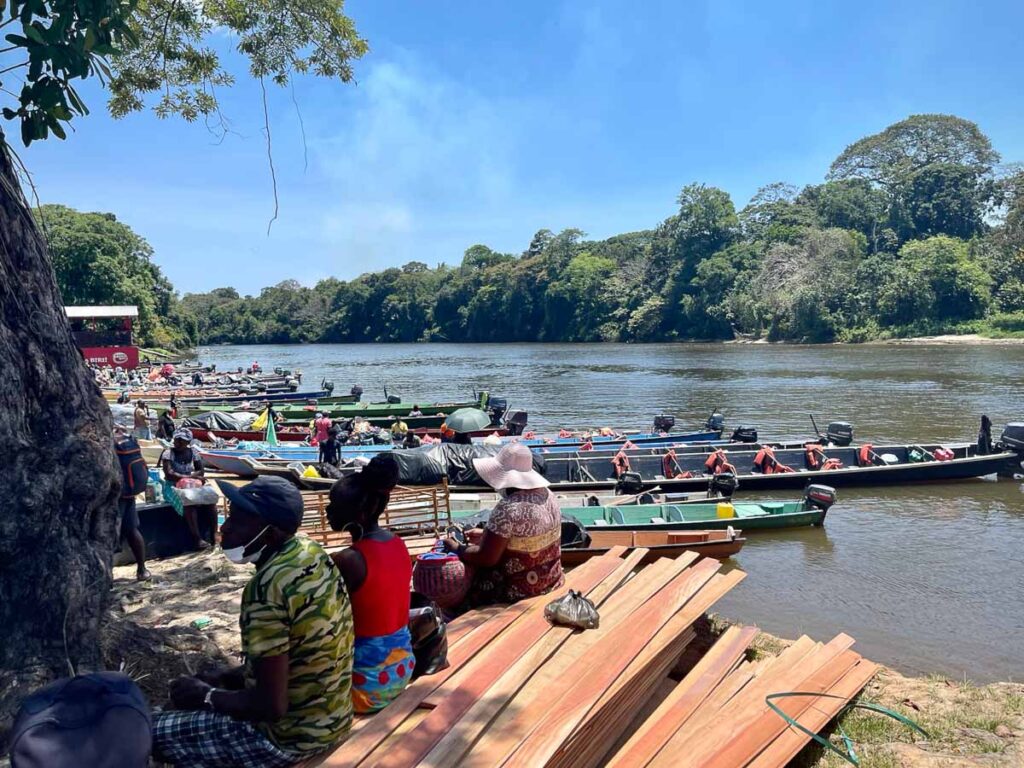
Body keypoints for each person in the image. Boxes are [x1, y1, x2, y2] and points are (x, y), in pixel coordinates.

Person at [152, 477, 354, 768]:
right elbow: (302, 655)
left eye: (236, 520)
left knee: (152, 731)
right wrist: (229, 677)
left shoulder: (265, 590)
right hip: (335, 720)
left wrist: (207, 696)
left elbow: (271, 707)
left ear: (270, 535)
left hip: (288, 740)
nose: (224, 528)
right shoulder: (311, 554)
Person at [326, 455, 415, 713]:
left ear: (360, 513)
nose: (328, 511)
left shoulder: (349, 560)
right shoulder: (398, 544)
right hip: (401, 669)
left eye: (335, 505)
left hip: (366, 688)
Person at [445, 442, 563, 606]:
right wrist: (486, 534)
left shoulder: (508, 508)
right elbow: (526, 536)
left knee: (466, 580)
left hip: (521, 592)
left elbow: (486, 558)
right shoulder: (548, 494)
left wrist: (456, 548)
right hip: (552, 580)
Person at [161, 429, 216, 550]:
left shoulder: (194, 452)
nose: (178, 442)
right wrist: (190, 476)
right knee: (188, 505)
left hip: (190, 485)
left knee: (210, 502)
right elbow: (169, 473)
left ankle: (214, 535)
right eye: (177, 439)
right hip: (172, 486)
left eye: (182, 440)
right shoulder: (168, 453)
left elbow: (201, 470)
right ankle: (197, 539)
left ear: (188, 442)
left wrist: (190, 478)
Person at [115, 429, 151, 581]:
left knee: (110, 532)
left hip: (116, 495)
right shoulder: (128, 441)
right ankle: (142, 570)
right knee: (132, 530)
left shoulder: (109, 444)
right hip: (128, 492)